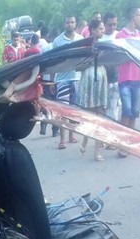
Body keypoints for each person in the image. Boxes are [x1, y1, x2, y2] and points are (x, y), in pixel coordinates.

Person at [116, 7, 140, 157]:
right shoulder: (120, 35)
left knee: (134, 112)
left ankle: (130, 142)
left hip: (138, 78)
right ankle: (122, 143)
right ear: (134, 16)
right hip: (125, 79)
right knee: (126, 111)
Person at [77, 19, 108, 161]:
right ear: (92, 30)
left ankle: (96, 151)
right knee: (90, 117)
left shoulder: (105, 45)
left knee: (100, 116)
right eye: (100, 29)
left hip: (101, 79)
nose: (103, 31)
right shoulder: (84, 45)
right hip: (89, 80)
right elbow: (77, 66)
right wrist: (89, 59)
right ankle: (85, 141)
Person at [52, 16, 83, 149]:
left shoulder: (81, 39)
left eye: (72, 22)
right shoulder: (57, 41)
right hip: (62, 80)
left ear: (75, 24)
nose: (70, 24)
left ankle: (72, 135)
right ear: (64, 24)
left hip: (77, 78)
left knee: (74, 110)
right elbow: (52, 62)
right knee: (63, 111)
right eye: (67, 22)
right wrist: (52, 81)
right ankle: (62, 140)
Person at [99, 13, 120, 122]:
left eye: (114, 24)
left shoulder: (119, 36)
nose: (112, 27)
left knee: (114, 109)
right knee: (101, 109)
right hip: (101, 80)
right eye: (109, 25)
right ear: (104, 24)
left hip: (115, 79)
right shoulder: (99, 38)